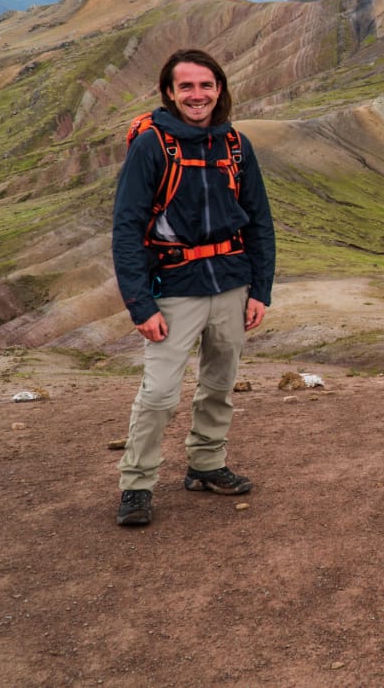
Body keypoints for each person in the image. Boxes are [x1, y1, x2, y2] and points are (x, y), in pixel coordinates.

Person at [111, 48, 276, 526]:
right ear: (169, 92)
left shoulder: (237, 146)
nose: (197, 95)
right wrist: (140, 304)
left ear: (219, 89)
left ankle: (205, 465)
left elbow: (260, 222)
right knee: (160, 394)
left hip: (230, 284)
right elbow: (127, 227)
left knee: (219, 385)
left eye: (205, 85)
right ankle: (137, 483)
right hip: (174, 288)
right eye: (186, 87)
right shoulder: (152, 146)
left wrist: (260, 290)